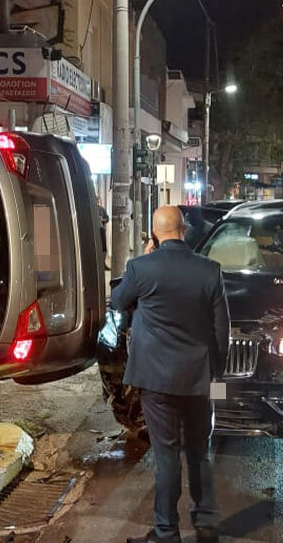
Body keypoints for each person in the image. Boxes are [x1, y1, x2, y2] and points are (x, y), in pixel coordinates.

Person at [111, 205, 230, 543]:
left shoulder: (140, 268)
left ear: (155, 234)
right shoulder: (210, 271)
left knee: (166, 455)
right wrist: (216, 375)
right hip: (200, 379)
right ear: (184, 230)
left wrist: (140, 260)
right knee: (198, 450)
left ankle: (167, 531)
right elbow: (222, 328)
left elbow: (117, 302)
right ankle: (206, 520)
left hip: (156, 380)